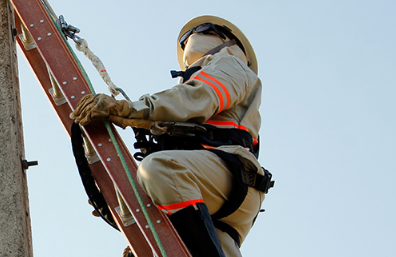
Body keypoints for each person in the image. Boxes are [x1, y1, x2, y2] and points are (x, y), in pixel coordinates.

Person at [70, 16, 272, 257]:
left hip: (230, 176)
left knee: (159, 169)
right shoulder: (192, 90)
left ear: (227, 41)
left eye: (202, 30)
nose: (189, 40)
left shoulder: (231, 65)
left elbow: (197, 99)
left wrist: (125, 110)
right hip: (213, 190)